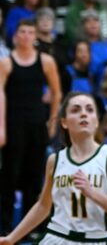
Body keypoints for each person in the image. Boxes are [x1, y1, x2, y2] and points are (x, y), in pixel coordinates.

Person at [0, 92, 107, 245]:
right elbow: (43, 205)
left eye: (89, 110)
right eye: (76, 110)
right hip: (56, 237)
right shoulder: (55, 160)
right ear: (64, 122)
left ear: (96, 120)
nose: (84, 114)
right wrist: (11, 238)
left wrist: (92, 193)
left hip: (94, 239)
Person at [0, 20, 62, 233]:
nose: (26, 35)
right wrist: (1, 128)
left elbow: (56, 93)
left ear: (35, 36)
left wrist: (52, 121)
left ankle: (33, 229)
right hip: (13, 125)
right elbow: (0, 95)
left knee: (34, 178)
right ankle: (5, 230)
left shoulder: (46, 61)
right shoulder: (6, 63)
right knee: (9, 178)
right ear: (15, 36)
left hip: (37, 124)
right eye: (22, 31)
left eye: (30, 32)